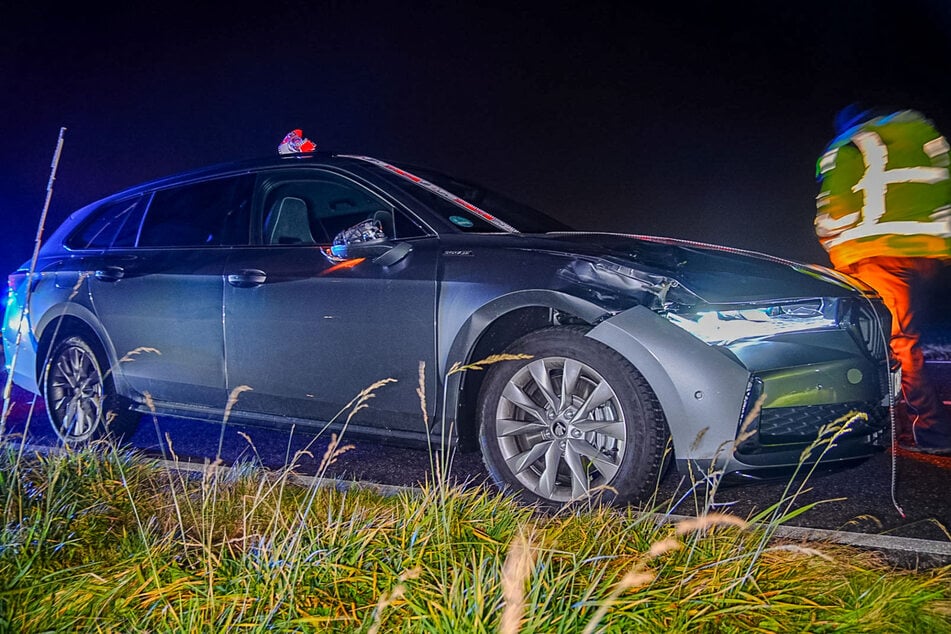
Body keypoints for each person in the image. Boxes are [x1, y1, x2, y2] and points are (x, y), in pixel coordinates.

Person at [815, 105, 951, 456]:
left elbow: (834, 212)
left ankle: (932, 432)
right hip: (926, 256)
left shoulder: (850, 145)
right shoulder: (924, 137)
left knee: (885, 343)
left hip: (874, 256)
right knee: (902, 341)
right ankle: (903, 424)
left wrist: (834, 249)